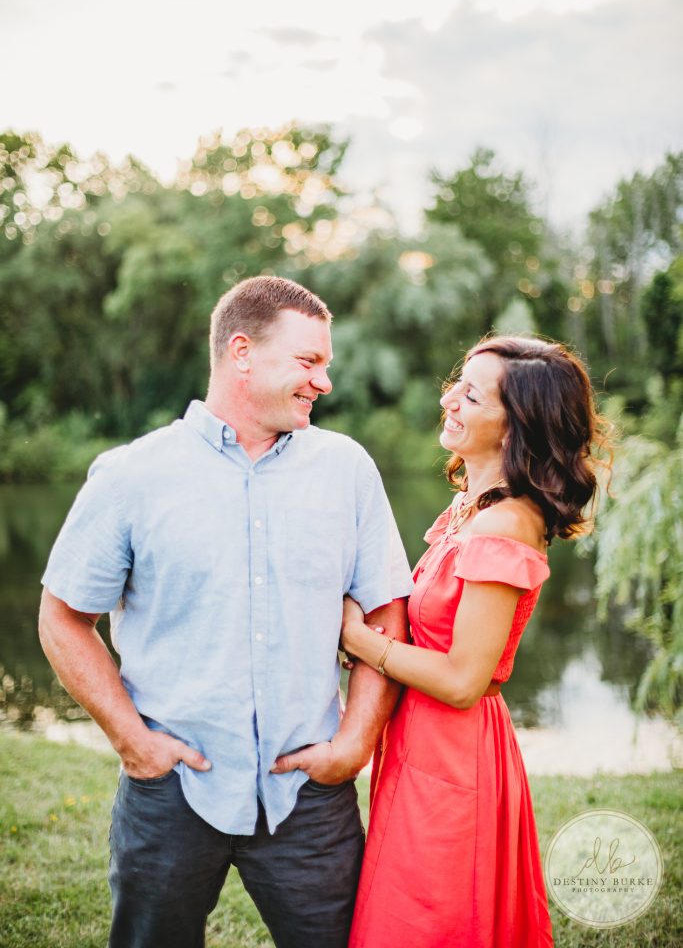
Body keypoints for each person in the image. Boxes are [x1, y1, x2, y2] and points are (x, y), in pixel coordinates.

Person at [38, 276, 413, 948]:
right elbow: (63, 617)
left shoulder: (346, 470)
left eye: (323, 365)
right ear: (241, 352)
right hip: (172, 793)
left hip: (309, 798)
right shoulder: (131, 475)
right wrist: (132, 740)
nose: (322, 382)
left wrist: (354, 742)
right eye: (308, 362)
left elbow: (385, 610)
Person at [341, 335, 611, 948]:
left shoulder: (505, 527)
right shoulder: (472, 507)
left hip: (452, 753)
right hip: (420, 742)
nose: (449, 400)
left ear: (516, 427)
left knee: (430, 922)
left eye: (470, 395)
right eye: (455, 385)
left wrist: (360, 640)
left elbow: (465, 681)